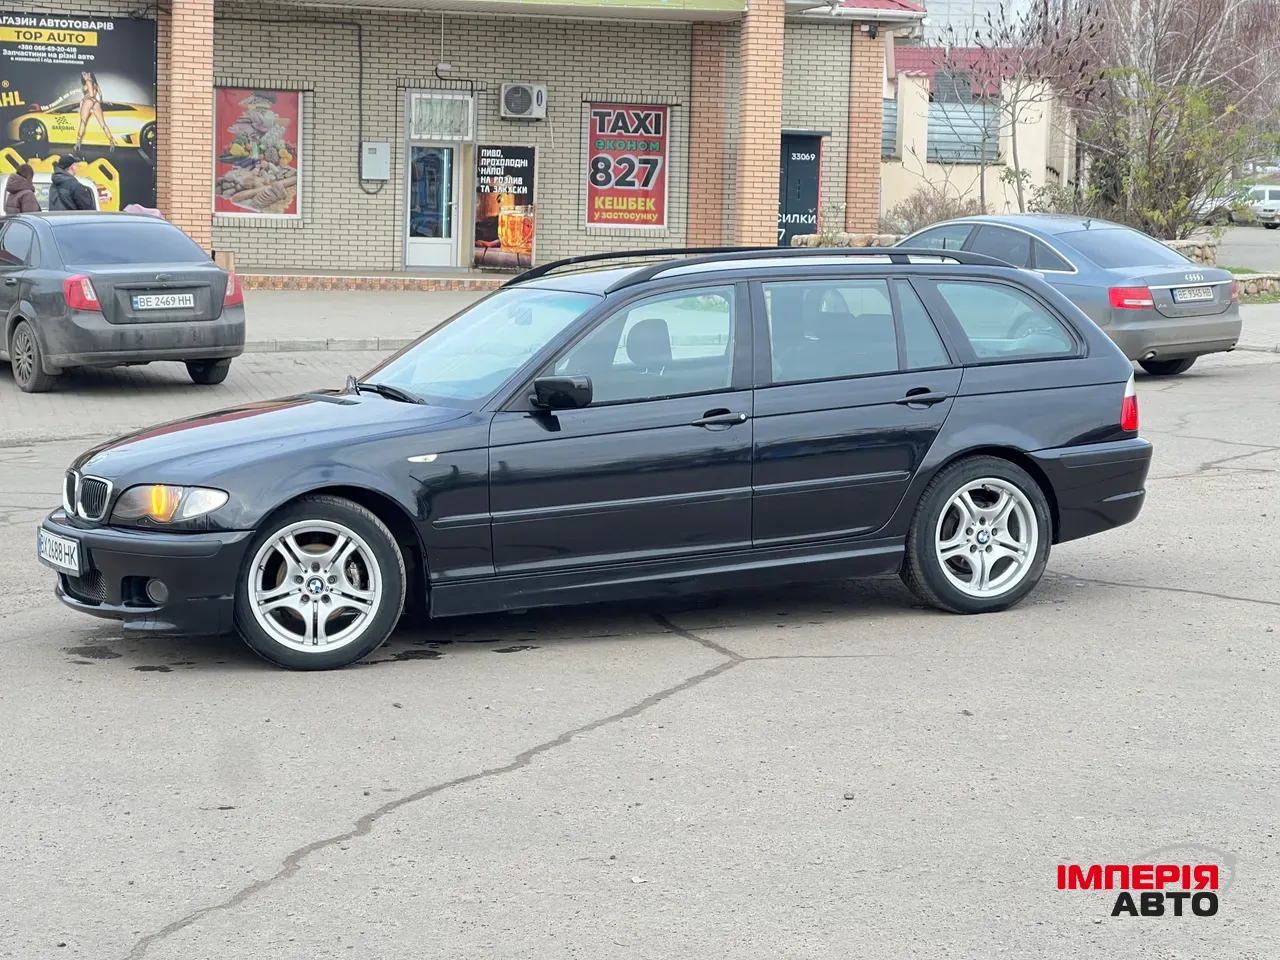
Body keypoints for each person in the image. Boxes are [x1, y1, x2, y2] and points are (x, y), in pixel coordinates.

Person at [39, 71, 118, 152]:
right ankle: (111, 141)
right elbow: (100, 95)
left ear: (89, 74)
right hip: (96, 102)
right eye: (82, 75)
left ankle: (78, 143)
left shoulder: (88, 81)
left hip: (89, 101)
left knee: (83, 123)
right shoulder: (95, 84)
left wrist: (83, 99)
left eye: (84, 74)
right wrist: (99, 101)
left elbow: (90, 94)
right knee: (103, 124)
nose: (83, 76)